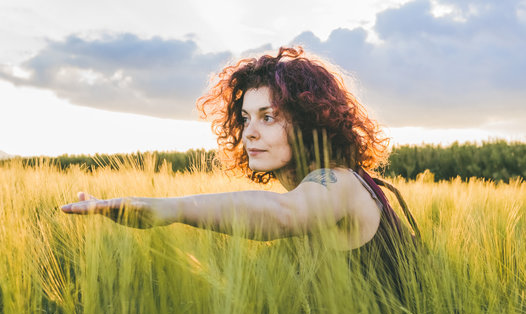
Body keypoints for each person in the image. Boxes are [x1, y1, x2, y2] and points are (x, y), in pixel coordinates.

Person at [61, 47, 419, 260]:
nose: (249, 132)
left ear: (310, 121)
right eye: (246, 118)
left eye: (269, 117)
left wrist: (169, 209)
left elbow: (283, 215)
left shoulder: (339, 181)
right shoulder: (317, 187)